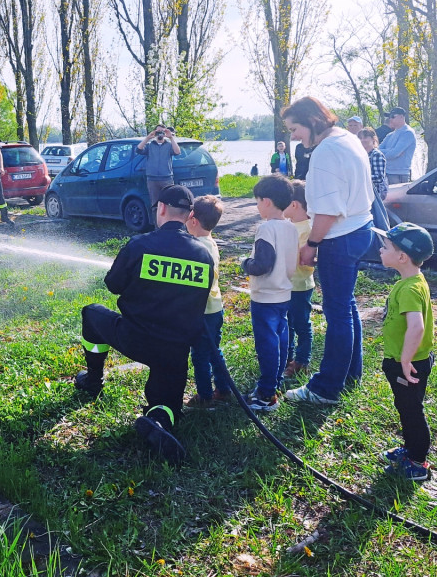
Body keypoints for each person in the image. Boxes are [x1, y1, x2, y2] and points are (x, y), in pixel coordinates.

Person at [74, 184, 215, 465]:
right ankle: (159, 420)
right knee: (165, 403)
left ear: (160, 209)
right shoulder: (203, 255)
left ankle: (93, 380)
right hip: (175, 350)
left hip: (134, 338)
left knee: (91, 313)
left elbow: (113, 285)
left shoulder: (140, 245)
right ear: (189, 216)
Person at [280, 97, 373, 406]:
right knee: (346, 307)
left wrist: (312, 244)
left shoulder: (326, 152)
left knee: (337, 314)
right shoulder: (348, 139)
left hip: (339, 237)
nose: (293, 136)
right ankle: (349, 374)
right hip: (359, 229)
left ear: (312, 121)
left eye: (294, 128)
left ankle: (326, 388)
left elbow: (329, 211)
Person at [374, 222, 436, 482]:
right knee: (405, 406)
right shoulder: (412, 280)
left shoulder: (410, 288)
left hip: (408, 364)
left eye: (385, 246)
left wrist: (405, 359)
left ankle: (418, 462)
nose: (380, 249)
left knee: (411, 410)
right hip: (407, 361)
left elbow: (416, 327)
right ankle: (410, 449)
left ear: (402, 257)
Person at [240, 174, 297, 411]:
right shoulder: (291, 227)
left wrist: (245, 263)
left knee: (267, 345)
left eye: (256, 200)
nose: (257, 205)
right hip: (284, 292)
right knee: (282, 338)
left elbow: (262, 265)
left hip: (265, 297)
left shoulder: (265, 228)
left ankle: (265, 394)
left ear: (266, 201)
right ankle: (276, 381)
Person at [185, 195, 232, 409]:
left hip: (201, 311)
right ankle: (223, 389)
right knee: (214, 350)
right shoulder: (210, 242)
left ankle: (204, 396)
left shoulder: (195, 248)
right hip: (215, 308)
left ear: (192, 218)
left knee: (200, 355)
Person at [283, 180, 315, 380]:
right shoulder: (288, 226)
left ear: (294, 204)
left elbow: (306, 262)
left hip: (300, 285)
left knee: (301, 324)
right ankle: (287, 358)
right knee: (287, 324)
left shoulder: (308, 229)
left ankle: (302, 361)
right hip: (286, 285)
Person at [136, 124, 181, 223]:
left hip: (167, 179)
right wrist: (148, 137)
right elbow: (138, 149)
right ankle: (157, 228)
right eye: (158, 131)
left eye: (162, 131)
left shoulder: (169, 145)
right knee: (155, 205)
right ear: (155, 133)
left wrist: (171, 137)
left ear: (164, 133)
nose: (160, 133)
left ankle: (169, 227)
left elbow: (177, 152)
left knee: (170, 204)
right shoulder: (150, 146)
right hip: (152, 180)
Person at [358, 127, 390, 230]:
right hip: (364, 195)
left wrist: (359, 177)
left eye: (366, 137)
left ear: (373, 139)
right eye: (360, 138)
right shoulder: (361, 155)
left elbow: (379, 177)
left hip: (375, 195)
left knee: (377, 223)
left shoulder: (376, 155)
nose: (363, 140)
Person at [378, 108, 418, 184]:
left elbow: (394, 154)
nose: (390, 119)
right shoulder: (390, 135)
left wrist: (392, 151)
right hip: (386, 172)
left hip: (399, 175)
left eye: (393, 117)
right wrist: (391, 150)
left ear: (401, 117)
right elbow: (377, 151)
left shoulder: (408, 133)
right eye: (389, 117)